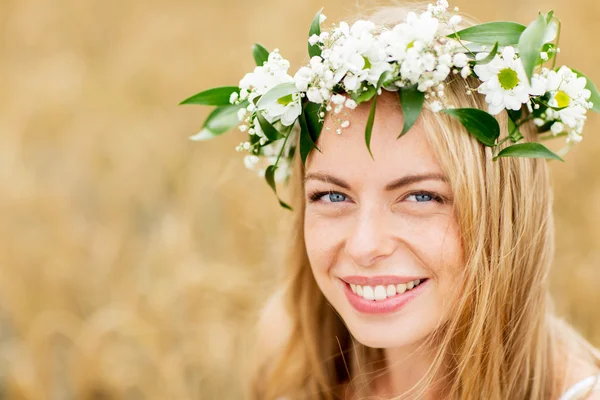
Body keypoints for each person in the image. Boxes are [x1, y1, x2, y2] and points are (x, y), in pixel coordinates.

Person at [182, 2, 600, 398]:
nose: (364, 246)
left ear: (504, 212)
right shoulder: (290, 358)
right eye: (331, 194)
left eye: (421, 196)